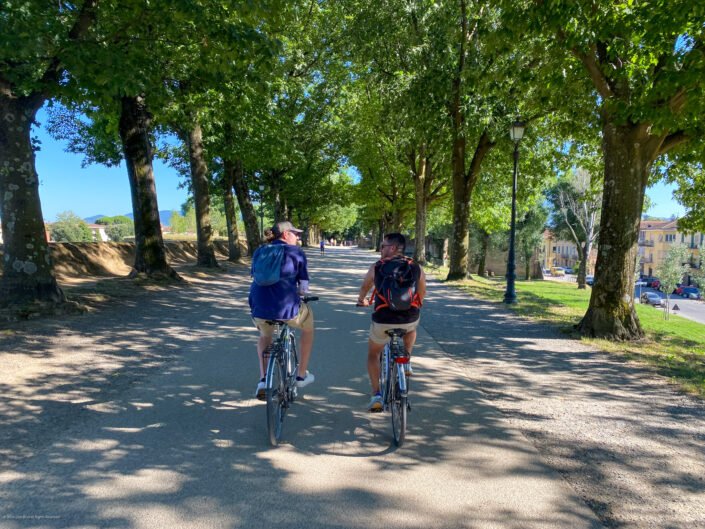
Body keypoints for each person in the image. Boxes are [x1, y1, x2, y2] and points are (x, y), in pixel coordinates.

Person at [356, 233, 426, 412]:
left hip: (383, 319)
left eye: (383, 246)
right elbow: (421, 292)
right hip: (409, 317)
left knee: (373, 354)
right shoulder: (415, 266)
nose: (381, 250)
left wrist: (362, 300)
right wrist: (416, 306)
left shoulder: (378, 266)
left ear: (393, 248)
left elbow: (365, 287)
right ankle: (407, 360)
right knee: (412, 328)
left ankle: (377, 395)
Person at [249, 221, 315, 400]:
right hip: (287, 309)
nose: (298, 236)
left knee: (264, 336)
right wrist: (300, 293)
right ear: (286, 235)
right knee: (308, 328)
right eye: (295, 233)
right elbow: (303, 288)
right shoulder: (296, 253)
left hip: (259, 307)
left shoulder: (259, 251)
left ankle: (263, 380)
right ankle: (301, 375)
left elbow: (255, 277)